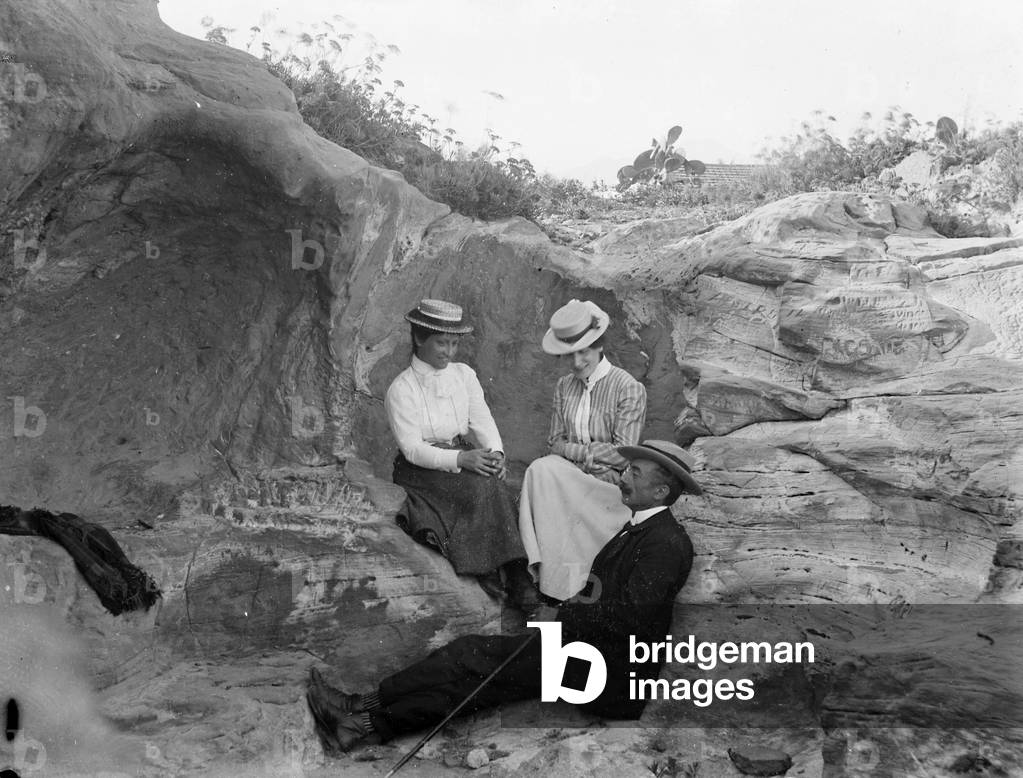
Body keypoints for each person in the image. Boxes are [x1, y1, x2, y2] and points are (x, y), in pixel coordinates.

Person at [305, 439, 703, 753]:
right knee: (475, 661)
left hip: (608, 676)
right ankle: (359, 713)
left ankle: (360, 720)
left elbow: (632, 618)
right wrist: (562, 617)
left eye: (634, 472)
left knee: (476, 664)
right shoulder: (640, 529)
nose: (624, 477)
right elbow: (601, 599)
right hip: (588, 652)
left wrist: (561, 622)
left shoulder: (665, 543)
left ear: (661, 489)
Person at [383, 299, 536, 606]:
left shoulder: (464, 375)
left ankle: (512, 570)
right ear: (418, 338)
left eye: (454, 343)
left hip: (460, 453)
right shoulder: (402, 388)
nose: (449, 352)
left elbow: (482, 420)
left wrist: (496, 454)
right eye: (441, 343)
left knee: (497, 483)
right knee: (481, 487)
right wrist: (461, 459)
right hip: (421, 469)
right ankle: (498, 570)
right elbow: (412, 448)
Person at [518, 299, 647, 602]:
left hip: (608, 486)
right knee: (541, 468)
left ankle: (588, 582)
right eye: (569, 354)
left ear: (599, 345)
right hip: (572, 476)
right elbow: (553, 443)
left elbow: (623, 454)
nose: (577, 362)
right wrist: (585, 454)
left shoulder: (627, 387)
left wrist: (575, 451)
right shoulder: (564, 386)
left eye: (584, 351)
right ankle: (549, 580)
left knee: (554, 467)